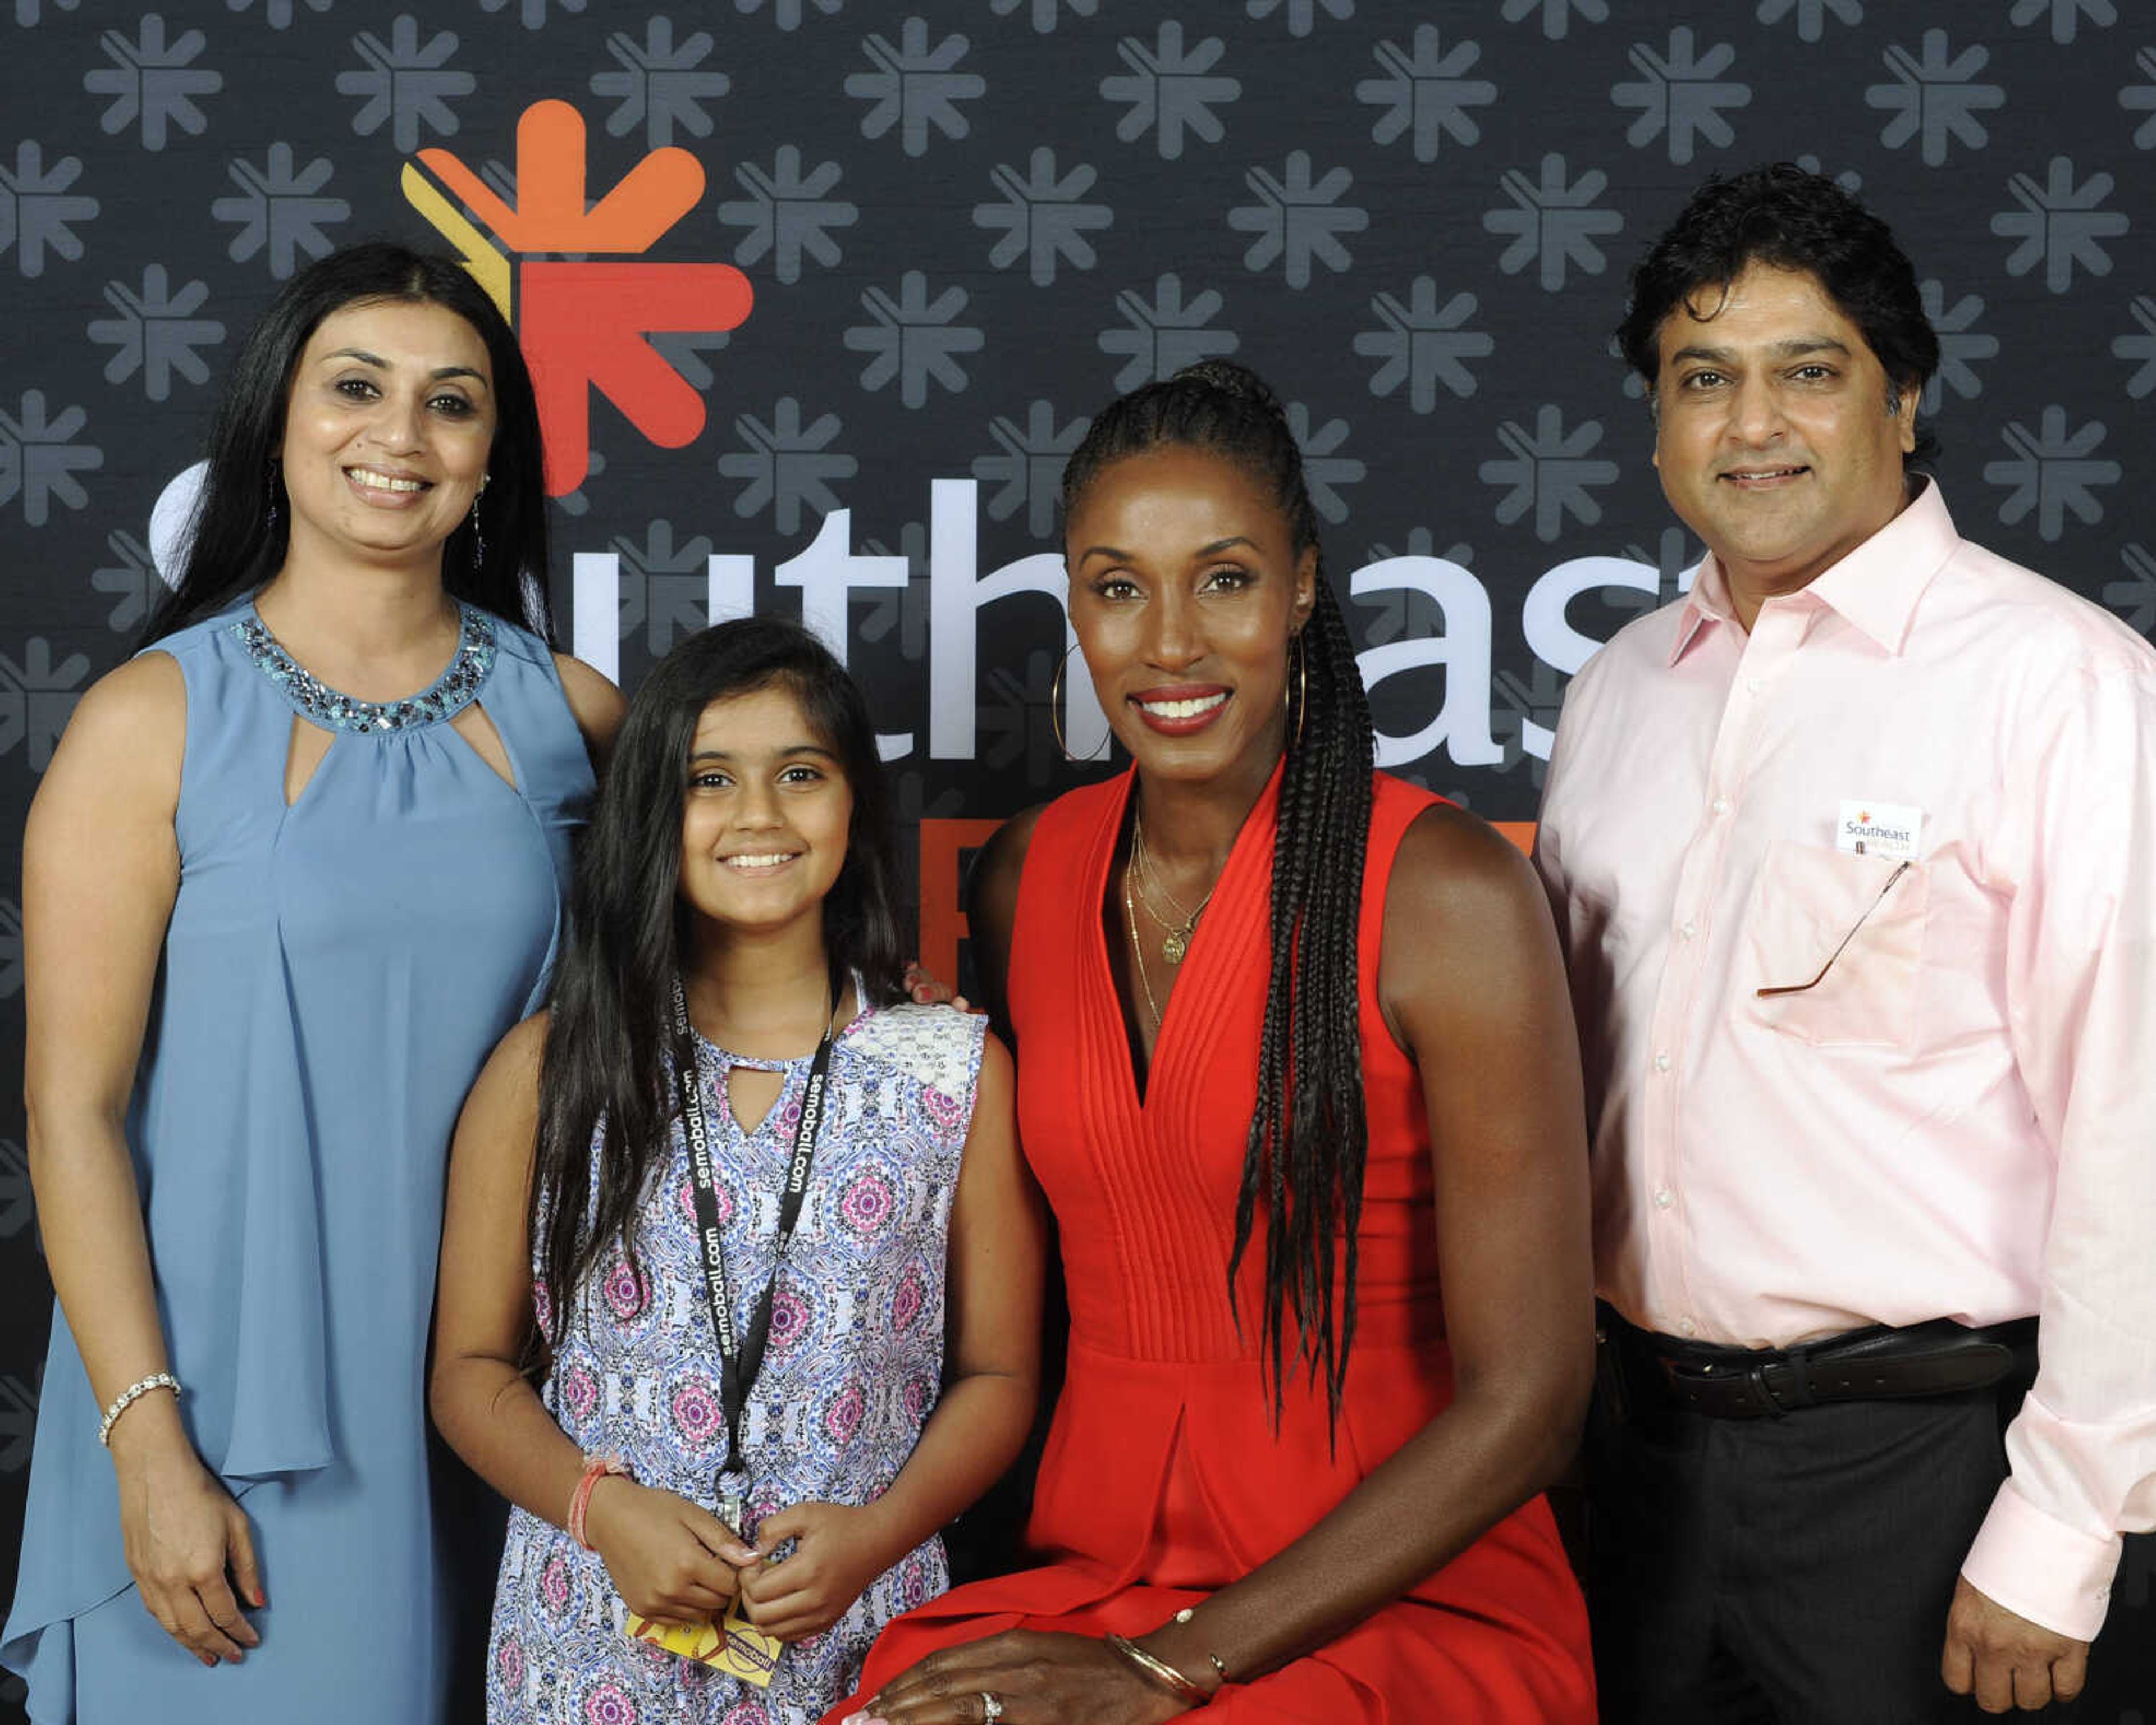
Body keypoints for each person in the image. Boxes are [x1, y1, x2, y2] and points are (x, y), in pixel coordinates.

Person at [829, 360, 1597, 1725]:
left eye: (1225, 580)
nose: (1169, 642)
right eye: (1118, 588)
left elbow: (1535, 1404)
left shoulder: (1446, 894)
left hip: (1392, 1595)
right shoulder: (1026, 876)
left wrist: (1167, 1668)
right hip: (1097, 1575)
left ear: (1302, 587)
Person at [1533, 163, 2156, 1721]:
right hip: (1632, 1467)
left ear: (1904, 397)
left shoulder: (2063, 687)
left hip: (1932, 1470)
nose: (1753, 426)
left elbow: (2135, 1134)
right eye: (1704, 379)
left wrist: (2065, 1523)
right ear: (1658, 420)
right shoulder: (1619, 689)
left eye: (1807, 372)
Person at [1, 242, 623, 1723]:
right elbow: (70, 1113)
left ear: (494, 456)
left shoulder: (580, 718)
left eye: (451, 404)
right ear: (277, 424)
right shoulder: (146, 724)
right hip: (227, 1412)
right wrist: (150, 1449)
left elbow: (732, 997)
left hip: (508, 1393)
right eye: (357, 389)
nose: (400, 437)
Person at [431, 617, 1045, 1724]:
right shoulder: (550, 1071)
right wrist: (600, 1512)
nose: (757, 817)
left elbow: (999, 1377)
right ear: (652, 814)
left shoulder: (953, 1072)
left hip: (863, 1632)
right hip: (589, 1643)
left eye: (799, 774)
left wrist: (878, 1535)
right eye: (709, 779)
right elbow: (471, 1373)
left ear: (853, 804)